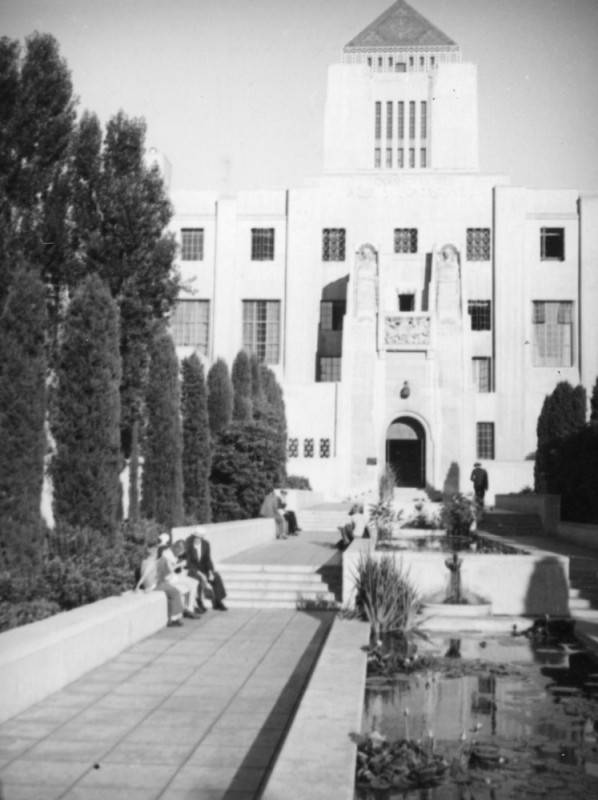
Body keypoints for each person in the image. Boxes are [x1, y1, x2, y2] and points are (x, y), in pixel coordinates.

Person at [137, 534, 184, 627]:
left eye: (156, 548)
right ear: (150, 550)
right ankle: (173, 619)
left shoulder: (149, 559)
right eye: (154, 549)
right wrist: (138, 586)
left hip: (156, 582)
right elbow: (146, 573)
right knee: (175, 592)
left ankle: (174, 616)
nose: (156, 550)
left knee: (171, 591)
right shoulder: (152, 560)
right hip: (154, 585)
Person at [156, 533, 201, 622]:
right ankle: (189, 610)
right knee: (191, 584)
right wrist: (179, 564)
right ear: (177, 548)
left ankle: (189, 609)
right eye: (180, 551)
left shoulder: (172, 553)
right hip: (169, 579)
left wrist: (180, 564)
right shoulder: (166, 554)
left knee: (194, 582)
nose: (180, 554)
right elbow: (168, 570)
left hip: (173, 577)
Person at [184, 527, 228, 611]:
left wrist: (211, 571)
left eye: (199, 537)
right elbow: (189, 562)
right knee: (198, 579)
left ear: (202, 537)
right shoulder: (188, 544)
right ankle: (199, 602)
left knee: (216, 577)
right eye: (195, 536)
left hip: (204, 568)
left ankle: (218, 601)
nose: (197, 539)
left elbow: (208, 559)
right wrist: (201, 574)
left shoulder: (206, 544)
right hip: (193, 569)